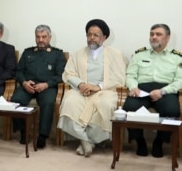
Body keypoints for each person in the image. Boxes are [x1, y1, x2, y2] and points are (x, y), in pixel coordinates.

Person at [57, 19, 127, 157]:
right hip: (81, 90)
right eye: (89, 35)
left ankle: (87, 140)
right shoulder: (78, 53)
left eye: (96, 35)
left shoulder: (115, 54)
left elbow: (120, 78)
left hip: (106, 91)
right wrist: (81, 84)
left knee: (106, 105)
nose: (92, 38)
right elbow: (68, 73)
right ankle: (86, 141)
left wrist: (98, 86)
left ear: (104, 38)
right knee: (69, 102)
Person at [123, 23, 182, 158]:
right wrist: (133, 87)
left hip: (165, 90)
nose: (154, 37)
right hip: (141, 90)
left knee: (172, 111)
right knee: (129, 108)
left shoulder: (177, 57)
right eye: (152, 34)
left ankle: (159, 142)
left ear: (167, 38)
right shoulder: (139, 54)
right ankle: (140, 141)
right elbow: (130, 75)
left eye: (158, 34)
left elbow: (180, 80)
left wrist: (163, 91)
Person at [10, 25, 66, 148]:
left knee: (48, 103)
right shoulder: (28, 52)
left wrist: (46, 84)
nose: (40, 40)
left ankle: (42, 136)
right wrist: (24, 82)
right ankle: (24, 132)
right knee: (15, 100)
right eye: (38, 37)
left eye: (44, 37)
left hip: (47, 87)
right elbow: (19, 71)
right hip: (28, 86)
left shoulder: (57, 54)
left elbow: (61, 75)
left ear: (50, 37)